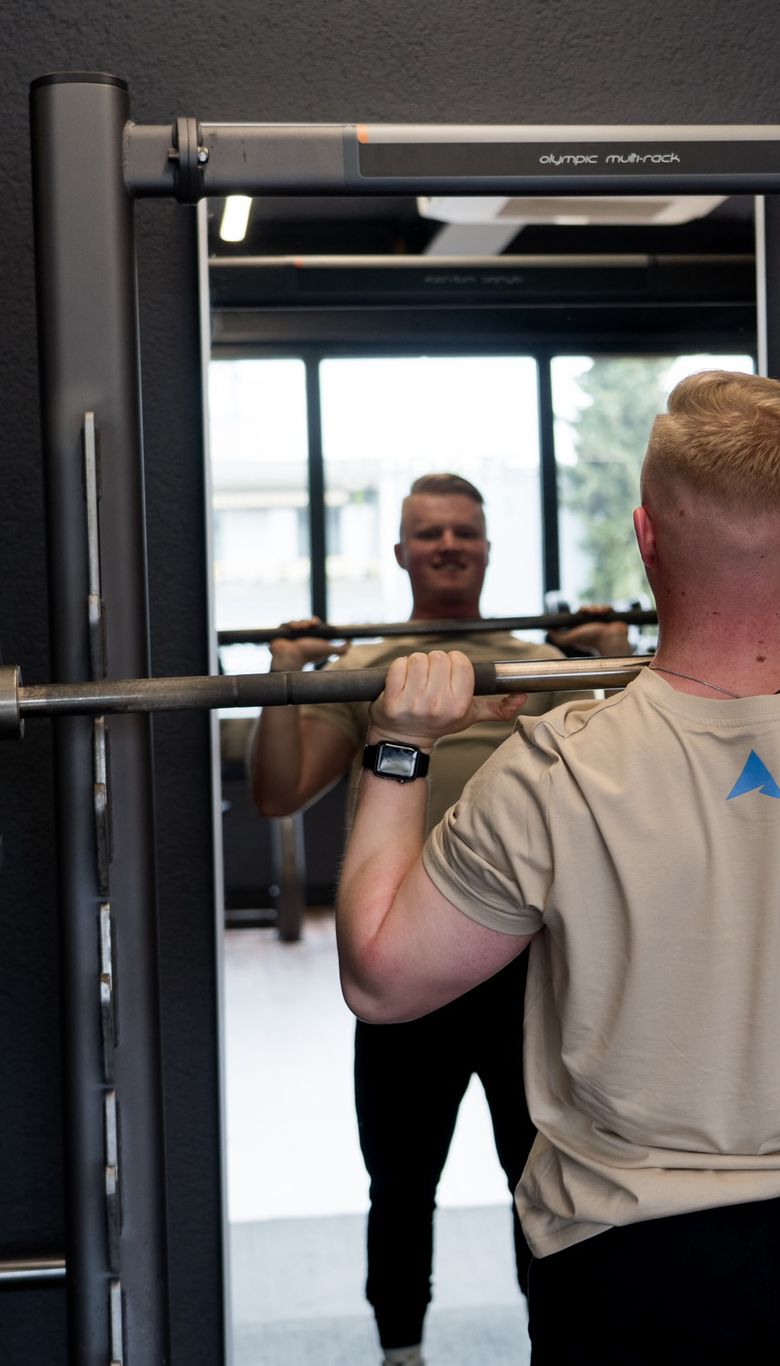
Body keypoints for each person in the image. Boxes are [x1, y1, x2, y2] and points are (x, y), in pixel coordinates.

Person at [332, 371, 780, 1363]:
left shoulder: (554, 770)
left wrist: (397, 741)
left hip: (633, 1266)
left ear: (645, 536)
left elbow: (381, 976)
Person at [247, 472, 625, 1366]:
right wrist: (278, 677)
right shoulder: (365, 672)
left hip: (530, 971)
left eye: (464, 531)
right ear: (403, 552)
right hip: (406, 968)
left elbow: (632, 792)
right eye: (429, 534)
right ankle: (400, 1352)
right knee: (401, 1181)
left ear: (487, 549)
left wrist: (616, 668)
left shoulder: (547, 667)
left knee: (542, 1178)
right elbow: (275, 792)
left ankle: (555, 1344)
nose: (448, 545)